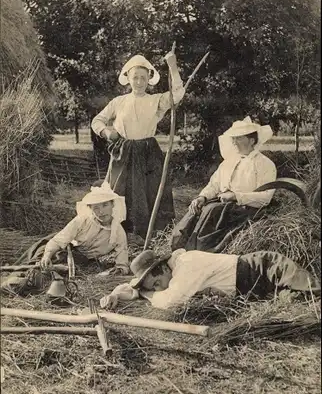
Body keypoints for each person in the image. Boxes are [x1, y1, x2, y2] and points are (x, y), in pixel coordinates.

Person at [91, 51, 185, 239]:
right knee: (118, 191)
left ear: (149, 79)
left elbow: (178, 93)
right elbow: (97, 120)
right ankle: (117, 233)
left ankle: (150, 234)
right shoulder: (119, 102)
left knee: (150, 191)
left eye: (143, 78)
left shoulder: (155, 101)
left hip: (148, 152)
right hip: (123, 153)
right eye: (135, 77)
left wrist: (173, 66)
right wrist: (107, 132)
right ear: (128, 78)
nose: (139, 82)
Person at [171, 117, 277, 253]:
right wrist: (202, 197)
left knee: (212, 211)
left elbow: (265, 198)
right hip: (222, 205)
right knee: (194, 212)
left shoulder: (265, 164)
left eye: (238, 138)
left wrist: (235, 196)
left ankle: (199, 250)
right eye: (233, 138)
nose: (234, 142)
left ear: (252, 140)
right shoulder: (229, 162)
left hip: (247, 209)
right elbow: (214, 184)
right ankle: (180, 249)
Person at [100, 248, 321, 311]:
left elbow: (169, 302)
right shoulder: (172, 273)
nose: (159, 289)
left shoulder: (187, 266)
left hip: (266, 268)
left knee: (314, 297)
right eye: (153, 288)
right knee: (293, 304)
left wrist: (147, 293)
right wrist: (115, 294)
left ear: (161, 270)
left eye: (157, 285)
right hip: (253, 288)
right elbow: (131, 287)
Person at [39, 182, 129, 275]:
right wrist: (47, 256)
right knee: (42, 264)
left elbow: (122, 263)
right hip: (65, 250)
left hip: (85, 261)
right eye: (96, 208)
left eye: (105, 205)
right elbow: (58, 241)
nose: (101, 212)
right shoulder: (82, 221)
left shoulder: (118, 232)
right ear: (90, 209)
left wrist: (117, 271)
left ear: (112, 205)